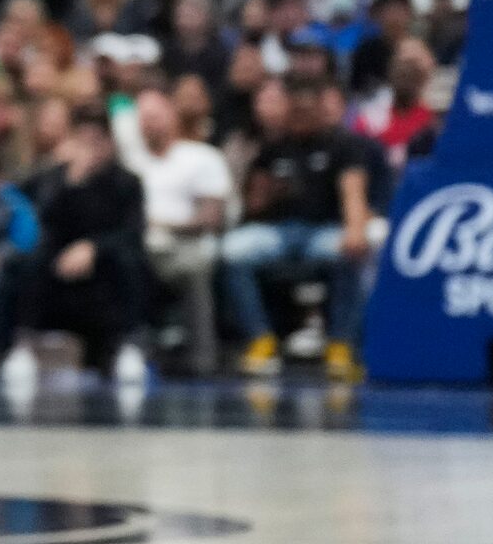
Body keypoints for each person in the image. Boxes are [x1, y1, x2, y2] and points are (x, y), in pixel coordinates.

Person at [221, 79, 379, 381]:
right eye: (297, 110)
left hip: (323, 231)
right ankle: (261, 339)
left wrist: (355, 228)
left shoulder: (342, 145)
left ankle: (341, 344)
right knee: (232, 251)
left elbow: (353, 193)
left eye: (309, 110)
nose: (302, 116)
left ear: (322, 110)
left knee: (352, 251)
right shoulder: (273, 147)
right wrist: (266, 193)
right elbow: (252, 205)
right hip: (279, 232)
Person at [0, 108, 150, 387]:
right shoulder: (56, 178)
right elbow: (45, 218)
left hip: (105, 260)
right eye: (83, 140)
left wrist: (93, 247)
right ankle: (23, 345)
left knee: (130, 261)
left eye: (97, 140)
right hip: (60, 259)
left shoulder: (127, 182)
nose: (90, 148)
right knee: (31, 260)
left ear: (109, 143)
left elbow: (132, 232)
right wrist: (72, 181)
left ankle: (129, 345)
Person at [121, 85, 233, 376]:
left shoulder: (201, 157)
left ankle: (202, 357)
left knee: (193, 268)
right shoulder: (131, 163)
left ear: (172, 114)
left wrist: (163, 225)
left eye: (156, 115)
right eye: (143, 118)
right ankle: (127, 351)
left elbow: (212, 217)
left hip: (186, 243)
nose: (150, 124)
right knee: (118, 260)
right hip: (139, 244)